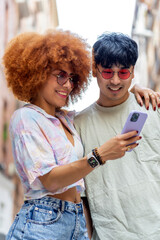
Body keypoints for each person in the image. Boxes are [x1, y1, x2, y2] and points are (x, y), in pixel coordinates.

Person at [3, 29, 158, 240]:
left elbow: (111, 104)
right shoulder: (25, 119)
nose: (67, 85)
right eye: (60, 76)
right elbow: (50, 181)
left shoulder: (66, 120)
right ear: (37, 73)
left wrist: (134, 89)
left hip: (75, 223)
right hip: (43, 220)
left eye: (72, 78)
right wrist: (100, 155)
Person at [74, 32, 160, 240]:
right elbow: (81, 197)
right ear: (95, 71)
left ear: (132, 72)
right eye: (107, 72)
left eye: (123, 73)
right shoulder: (78, 125)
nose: (114, 81)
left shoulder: (152, 108)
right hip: (109, 235)